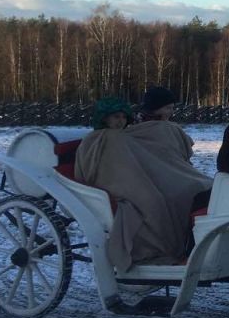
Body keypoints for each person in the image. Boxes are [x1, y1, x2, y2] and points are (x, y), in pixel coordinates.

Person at [76, 96, 213, 271]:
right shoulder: (96, 140)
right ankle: (158, 250)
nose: (120, 121)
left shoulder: (126, 136)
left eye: (123, 117)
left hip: (139, 179)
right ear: (105, 117)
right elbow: (101, 169)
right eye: (116, 117)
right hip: (116, 184)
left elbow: (145, 160)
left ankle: (183, 247)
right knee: (153, 202)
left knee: (178, 194)